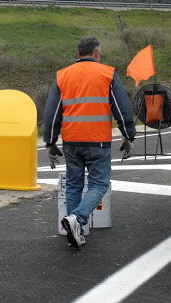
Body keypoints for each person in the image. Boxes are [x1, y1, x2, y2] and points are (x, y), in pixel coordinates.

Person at [43, 35, 136, 248]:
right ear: (96, 53)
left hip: (72, 141)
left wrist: (49, 142)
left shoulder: (62, 75)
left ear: (78, 54)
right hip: (98, 141)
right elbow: (121, 109)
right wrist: (128, 136)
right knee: (99, 183)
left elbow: (52, 113)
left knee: (74, 184)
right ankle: (78, 218)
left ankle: (75, 232)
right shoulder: (108, 73)